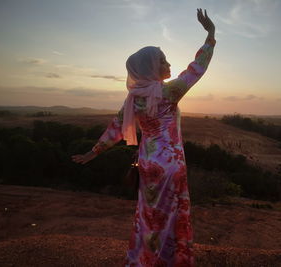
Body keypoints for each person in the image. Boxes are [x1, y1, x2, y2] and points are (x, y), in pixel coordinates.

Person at [72, 8, 215, 266]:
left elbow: (115, 129)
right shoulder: (168, 92)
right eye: (163, 61)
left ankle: (146, 258)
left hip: (148, 166)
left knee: (149, 215)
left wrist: (92, 153)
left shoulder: (133, 99)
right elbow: (196, 69)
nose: (168, 65)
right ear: (150, 67)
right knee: (171, 216)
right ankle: (169, 260)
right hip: (171, 166)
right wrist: (210, 36)